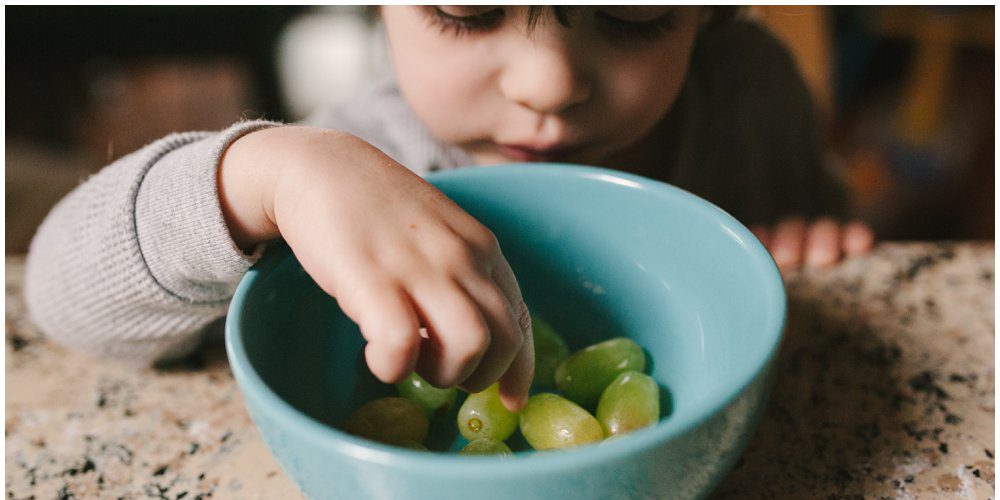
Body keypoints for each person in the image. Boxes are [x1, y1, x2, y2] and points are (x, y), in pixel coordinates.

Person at [25, 6, 875, 412]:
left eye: (636, 9)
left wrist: (812, 227)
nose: (548, 83)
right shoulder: (351, 166)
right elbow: (60, 295)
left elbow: (812, 213)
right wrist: (261, 174)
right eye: (465, 9)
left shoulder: (751, 91)